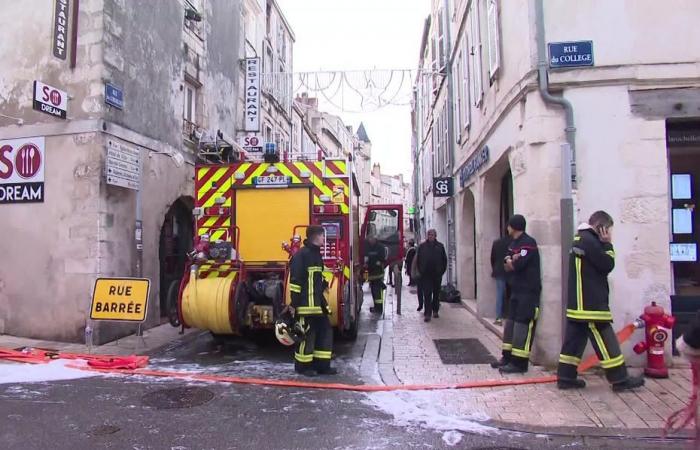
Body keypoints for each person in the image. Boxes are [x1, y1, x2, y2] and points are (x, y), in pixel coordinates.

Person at [557, 211, 644, 391]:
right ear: (601, 227)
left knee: (573, 342)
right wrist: (608, 244)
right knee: (606, 341)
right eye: (608, 229)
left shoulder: (580, 239)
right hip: (591, 305)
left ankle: (565, 377)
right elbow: (607, 265)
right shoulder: (592, 242)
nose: (608, 233)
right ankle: (620, 379)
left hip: (578, 304)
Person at [491, 215, 541, 374]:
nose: (507, 228)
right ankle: (507, 357)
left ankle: (520, 363)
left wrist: (513, 261)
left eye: (509, 226)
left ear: (513, 226)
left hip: (528, 292)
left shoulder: (529, 243)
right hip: (515, 289)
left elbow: (519, 265)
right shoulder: (513, 243)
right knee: (510, 324)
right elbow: (507, 264)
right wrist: (512, 260)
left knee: (523, 326)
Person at [289, 225, 337, 376]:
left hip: (317, 305)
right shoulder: (301, 256)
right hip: (305, 306)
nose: (324, 239)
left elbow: (317, 276)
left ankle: (322, 365)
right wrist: (294, 304)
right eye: (323, 236)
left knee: (325, 332)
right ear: (316, 237)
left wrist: (323, 283)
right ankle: (303, 367)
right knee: (306, 337)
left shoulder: (316, 255)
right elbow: (295, 282)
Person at [416, 229, 447, 322]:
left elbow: (444, 260)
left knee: (436, 293)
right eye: (429, 235)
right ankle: (427, 313)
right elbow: (418, 259)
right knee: (427, 294)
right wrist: (421, 271)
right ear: (427, 236)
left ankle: (435, 310)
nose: (430, 236)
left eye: (432, 235)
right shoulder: (422, 246)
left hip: (437, 274)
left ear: (435, 236)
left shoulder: (440, 246)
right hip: (426, 275)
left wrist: (441, 271)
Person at [490, 235, 511, 325]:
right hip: (511, 271)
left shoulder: (497, 242)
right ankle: (511, 316)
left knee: (500, 294)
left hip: (499, 271)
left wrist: (495, 268)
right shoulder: (514, 243)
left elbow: (492, 258)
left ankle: (499, 317)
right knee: (512, 293)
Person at [365, 235, 387, 314]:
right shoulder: (368, 247)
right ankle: (376, 306)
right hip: (371, 272)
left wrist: (379, 263)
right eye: (369, 239)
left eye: (371, 239)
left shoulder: (380, 247)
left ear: (375, 239)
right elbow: (366, 256)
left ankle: (379, 308)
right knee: (373, 291)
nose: (370, 240)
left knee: (377, 292)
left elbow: (383, 258)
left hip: (378, 272)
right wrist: (366, 263)